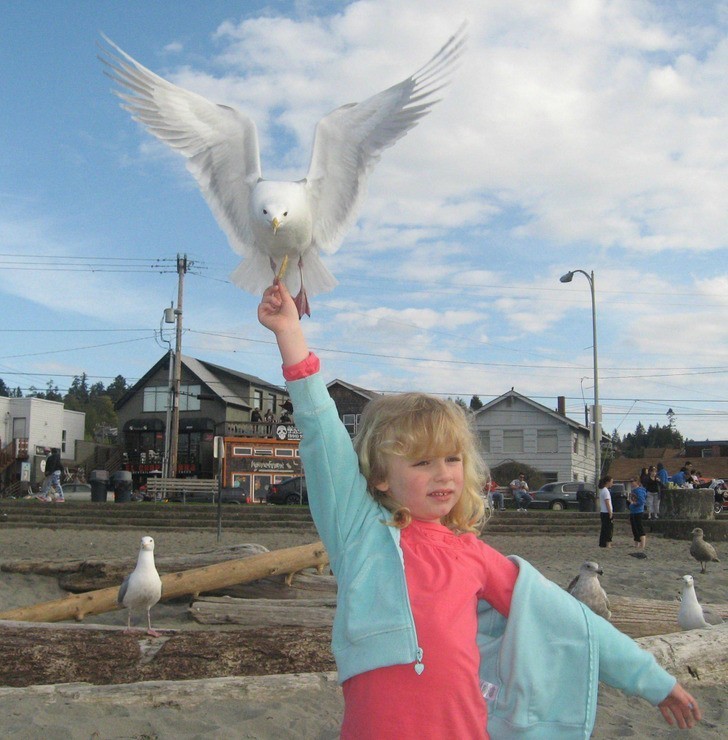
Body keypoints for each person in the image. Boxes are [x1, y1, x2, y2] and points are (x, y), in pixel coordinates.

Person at [257, 279, 700, 738]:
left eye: (452, 458)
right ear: (381, 476)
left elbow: (570, 622)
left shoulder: (472, 554)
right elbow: (321, 432)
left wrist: (654, 682)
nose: (444, 473)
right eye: (423, 462)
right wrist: (290, 335)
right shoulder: (359, 530)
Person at [629, 476, 647, 550]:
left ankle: (642, 544)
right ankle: (636, 543)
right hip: (633, 511)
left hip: (638, 511)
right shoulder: (634, 490)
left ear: (637, 482)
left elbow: (642, 501)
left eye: (633, 481)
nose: (631, 483)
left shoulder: (639, 491)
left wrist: (633, 503)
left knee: (639, 527)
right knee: (634, 528)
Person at [598, 475, 614, 548]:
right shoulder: (606, 491)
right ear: (608, 482)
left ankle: (602, 543)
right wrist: (610, 512)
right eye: (611, 482)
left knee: (604, 528)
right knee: (608, 528)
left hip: (603, 512)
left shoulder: (602, 490)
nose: (612, 484)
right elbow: (607, 502)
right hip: (606, 512)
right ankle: (608, 543)